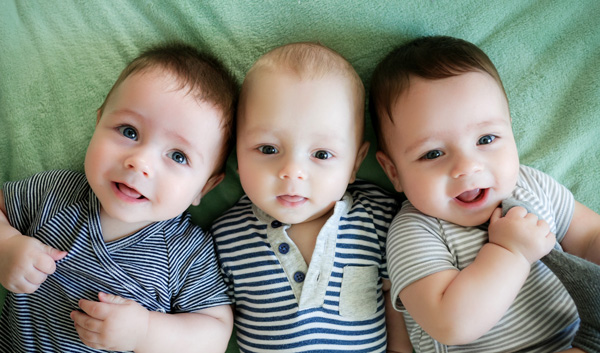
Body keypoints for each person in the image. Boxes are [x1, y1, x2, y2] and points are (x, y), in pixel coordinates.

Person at [0, 43, 237, 352]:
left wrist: (146, 333)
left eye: (178, 156)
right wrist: (5, 245)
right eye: (128, 132)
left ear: (203, 188)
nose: (140, 163)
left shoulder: (186, 254)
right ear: (98, 123)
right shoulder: (54, 194)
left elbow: (215, 335)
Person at [370, 35, 600, 353]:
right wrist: (511, 253)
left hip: (581, 333)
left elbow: (589, 237)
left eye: (486, 138)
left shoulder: (532, 186)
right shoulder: (415, 232)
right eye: (433, 154)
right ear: (393, 171)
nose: (467, 167)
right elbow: (451, 324)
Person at [210, 42, 412, 353]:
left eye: (321, 154)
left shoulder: (380, 217)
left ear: (355, 164)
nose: (292, 172)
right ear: (235, 150)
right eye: (268, 149)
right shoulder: (225, 236)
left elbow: (395, 298)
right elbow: (215, 323)